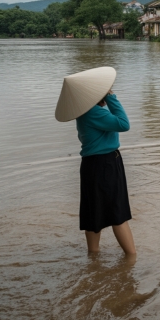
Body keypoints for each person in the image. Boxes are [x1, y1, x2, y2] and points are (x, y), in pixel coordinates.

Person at [55, 67, 136, 255]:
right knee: (118, 213)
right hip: (106, 163)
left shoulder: (85, 113)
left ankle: (93, 258)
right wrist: (112, 98)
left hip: (92, 165)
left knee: (93, 212)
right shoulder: (94, 113)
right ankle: (132, 259)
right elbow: (124, 124)